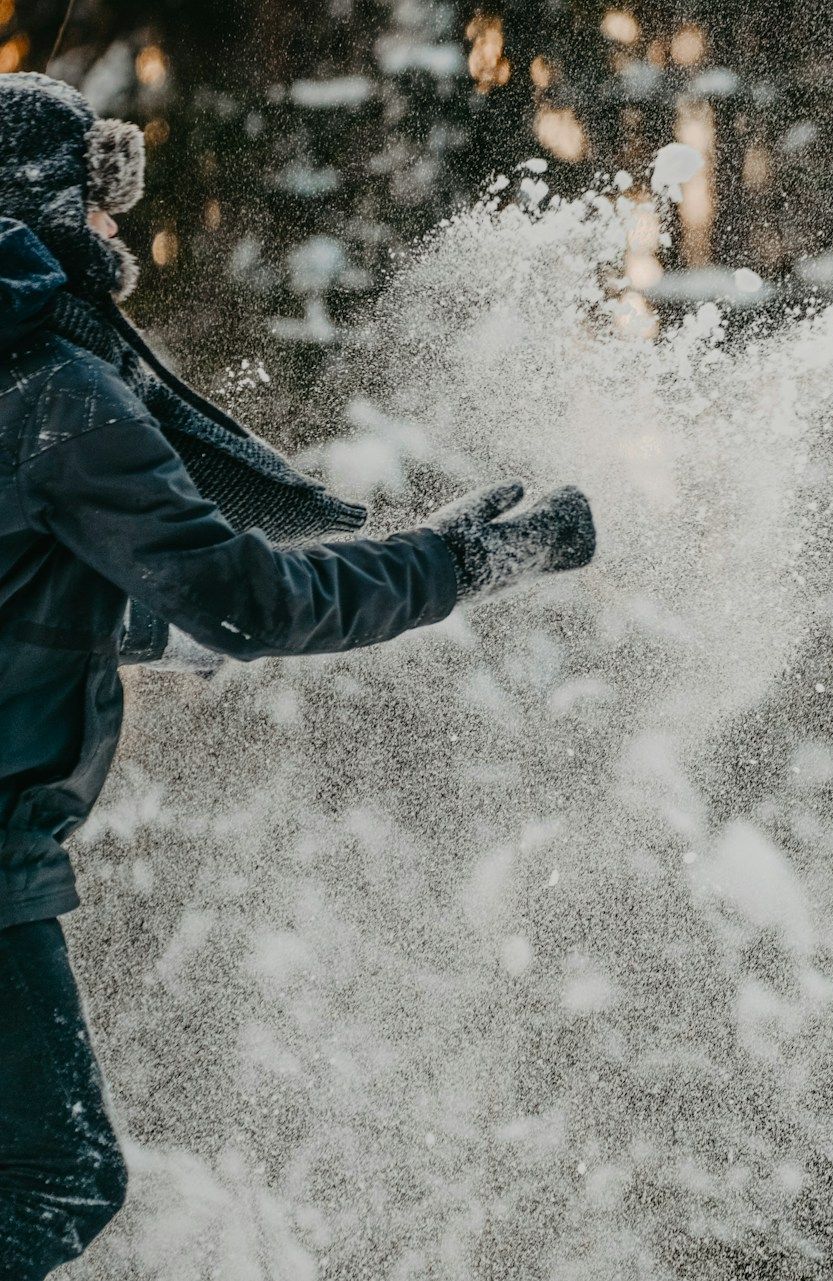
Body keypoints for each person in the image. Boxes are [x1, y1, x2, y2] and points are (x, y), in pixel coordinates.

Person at [0, 72, 596, 1277]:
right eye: (104, 199)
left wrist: (149, 634)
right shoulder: (54, 388)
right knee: (58, 1177)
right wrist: (462, 563)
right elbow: (250, 599)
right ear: (50, 203)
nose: (119, 230)